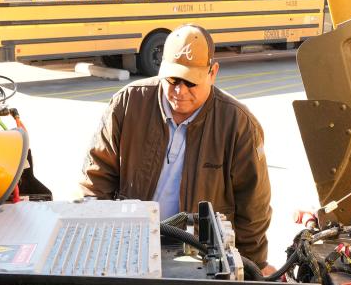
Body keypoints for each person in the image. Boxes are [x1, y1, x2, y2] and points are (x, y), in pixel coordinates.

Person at [80, 25, 274, 271]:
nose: (179, 91)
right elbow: (95, 181)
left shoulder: (239, 124)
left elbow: (253, 209)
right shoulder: (128, 104)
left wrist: (250, 267)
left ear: (213, 73)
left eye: (190, 82)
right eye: (172, 80)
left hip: (200, 258)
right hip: (132, 247)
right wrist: (95, 244)